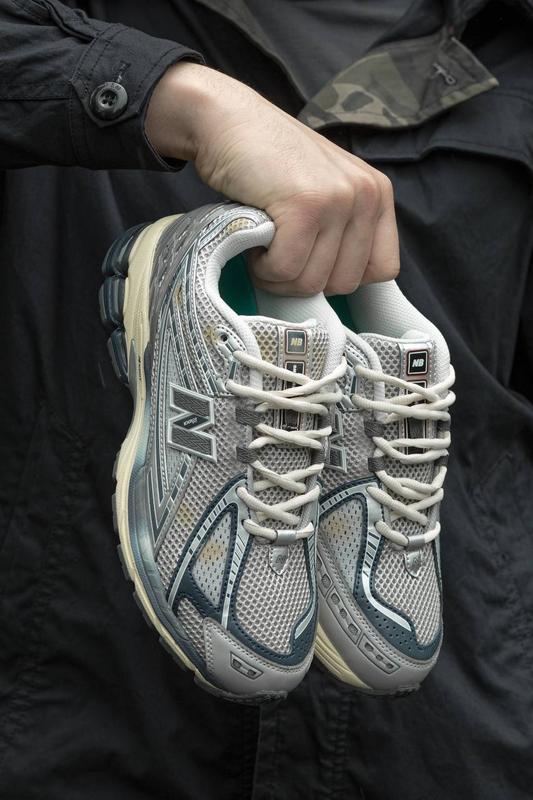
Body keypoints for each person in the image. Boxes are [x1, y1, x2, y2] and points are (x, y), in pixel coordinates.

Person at [0, 1, 532, 798]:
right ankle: (206, 311)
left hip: (446, 742)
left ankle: (311, 371)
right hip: (76, 715)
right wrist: (170, 96)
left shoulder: (514, 52)